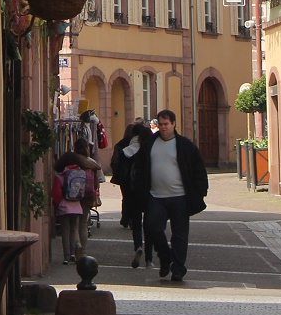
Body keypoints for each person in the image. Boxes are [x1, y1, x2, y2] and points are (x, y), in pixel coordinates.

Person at [127, 108, 208, 283]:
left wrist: (200, 191)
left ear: (173, 124)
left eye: (166, 124)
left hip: (180, 196)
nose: (163, 127)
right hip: (156, 196)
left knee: (180, 235)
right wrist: (138, 189)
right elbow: (139, 168)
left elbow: (198, 169)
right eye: (161, 124)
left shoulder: (185, 145)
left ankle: (178, 269)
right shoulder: (150, 144)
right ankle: (165, 257)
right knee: (152, 227)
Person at [110, 120, 151, 268]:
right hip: (147, 191)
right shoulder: (148, 150)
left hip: (130, 190)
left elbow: (117, 167)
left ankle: (138, 246)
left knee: (136, 223)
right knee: (148, 224)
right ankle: (149, 259)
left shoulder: (125, 150)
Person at [51, 150, 89, 264]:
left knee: (65, 231)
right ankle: (73, 253)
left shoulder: (60, 176)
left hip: (64, 207)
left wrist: (56, 205)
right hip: (77, 207)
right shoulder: (80, 173)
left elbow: (56, 194)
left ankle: (66, 257)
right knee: (74, 229)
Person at [71, 137, 104, 259]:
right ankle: (83, 252)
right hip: (88, 195)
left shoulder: (71, 160)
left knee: (74, 224)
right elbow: (96, 183)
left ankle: (77, 245)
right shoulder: (91, 163)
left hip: (73, 195)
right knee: (83, 223)